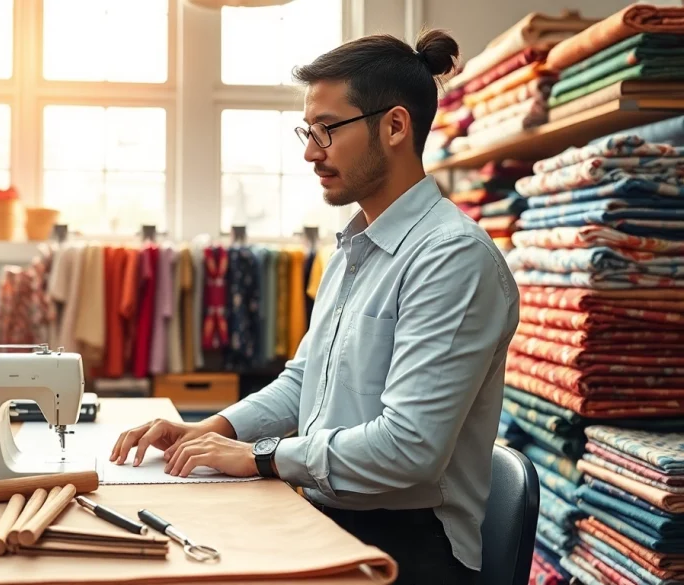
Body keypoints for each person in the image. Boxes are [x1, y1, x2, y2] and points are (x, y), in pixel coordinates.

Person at [109, 29, 519, 585]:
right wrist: (211, 429)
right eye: (309, 130)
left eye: (327, 130)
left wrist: (260, 454)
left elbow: (410, 448)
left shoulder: (451, 260)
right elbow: (306, 381)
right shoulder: (356, 247)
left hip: (414, 549)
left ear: (395, 126)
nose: (309, 151)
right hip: (338, 514)